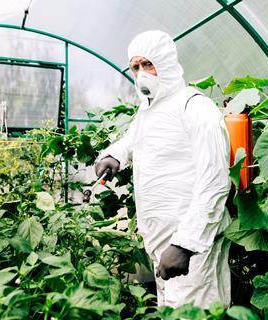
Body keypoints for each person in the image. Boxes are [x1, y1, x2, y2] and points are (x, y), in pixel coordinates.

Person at [95, 30, 232, 308]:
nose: (142, 73)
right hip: (162, 244)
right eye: (135, 67)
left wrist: (185, 244)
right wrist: (113, 156)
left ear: (166, 63)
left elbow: (215, 181)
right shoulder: (149, 110)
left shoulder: (194, 107)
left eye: (148, 64)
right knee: (172, 310)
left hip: (193, 245)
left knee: (197, 312)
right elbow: (132, 139)